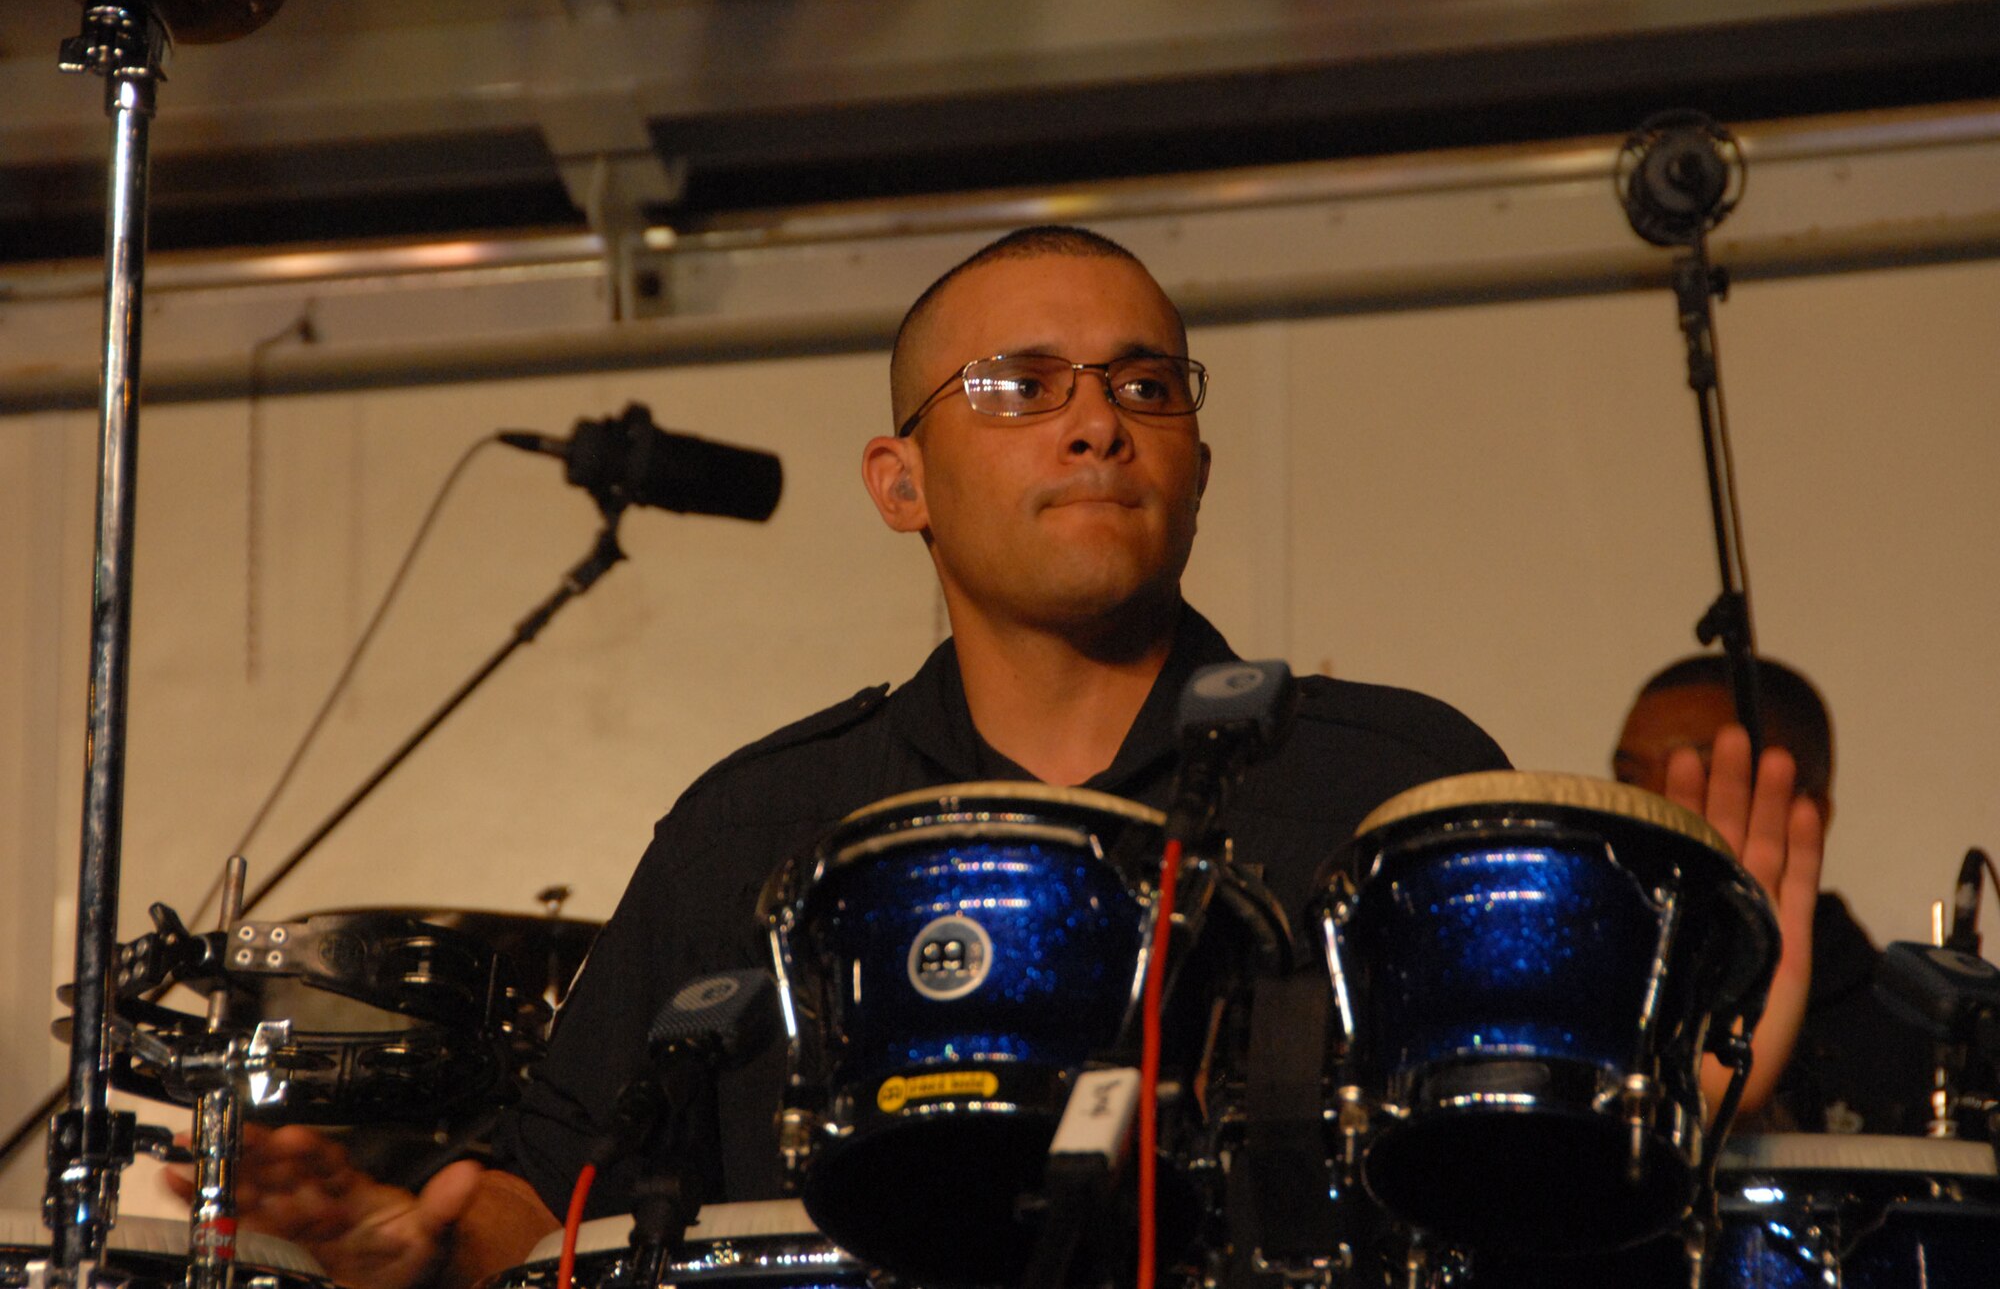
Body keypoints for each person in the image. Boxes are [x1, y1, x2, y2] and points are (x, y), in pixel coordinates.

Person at [176, 227, 1822, 1289]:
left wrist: (1697, 1082)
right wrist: (400, 1239)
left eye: (1142, 383)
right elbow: (549, 1189)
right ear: (900, 479)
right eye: (1019, 385)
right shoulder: (756, 821)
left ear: (1193, 454)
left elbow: (1531, 1184)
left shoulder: (1398, 781)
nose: (1094, 418)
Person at [1613, 654, 1933, 1134]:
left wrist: (1730, 1099)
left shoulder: (1910, 1036)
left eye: (1707, 775)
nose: (1653, 807)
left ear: (1812, 813)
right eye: (1630, 780)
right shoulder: (1591, 1001)